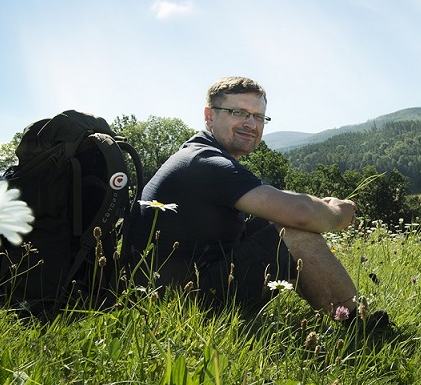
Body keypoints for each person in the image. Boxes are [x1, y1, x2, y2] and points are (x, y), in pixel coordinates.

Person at [126, 76, 384, 327]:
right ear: (209, 116)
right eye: (238, 112)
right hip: (176, 301)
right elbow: (301, 215)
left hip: (179, 287)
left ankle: (344, 315)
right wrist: (337, 213)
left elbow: (278, 203)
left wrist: (315, 205)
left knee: (274, 219)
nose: (251, 123)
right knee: (293, 232)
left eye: (259, 116)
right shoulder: (206, 163)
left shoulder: (201, 155)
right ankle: (359, 325)